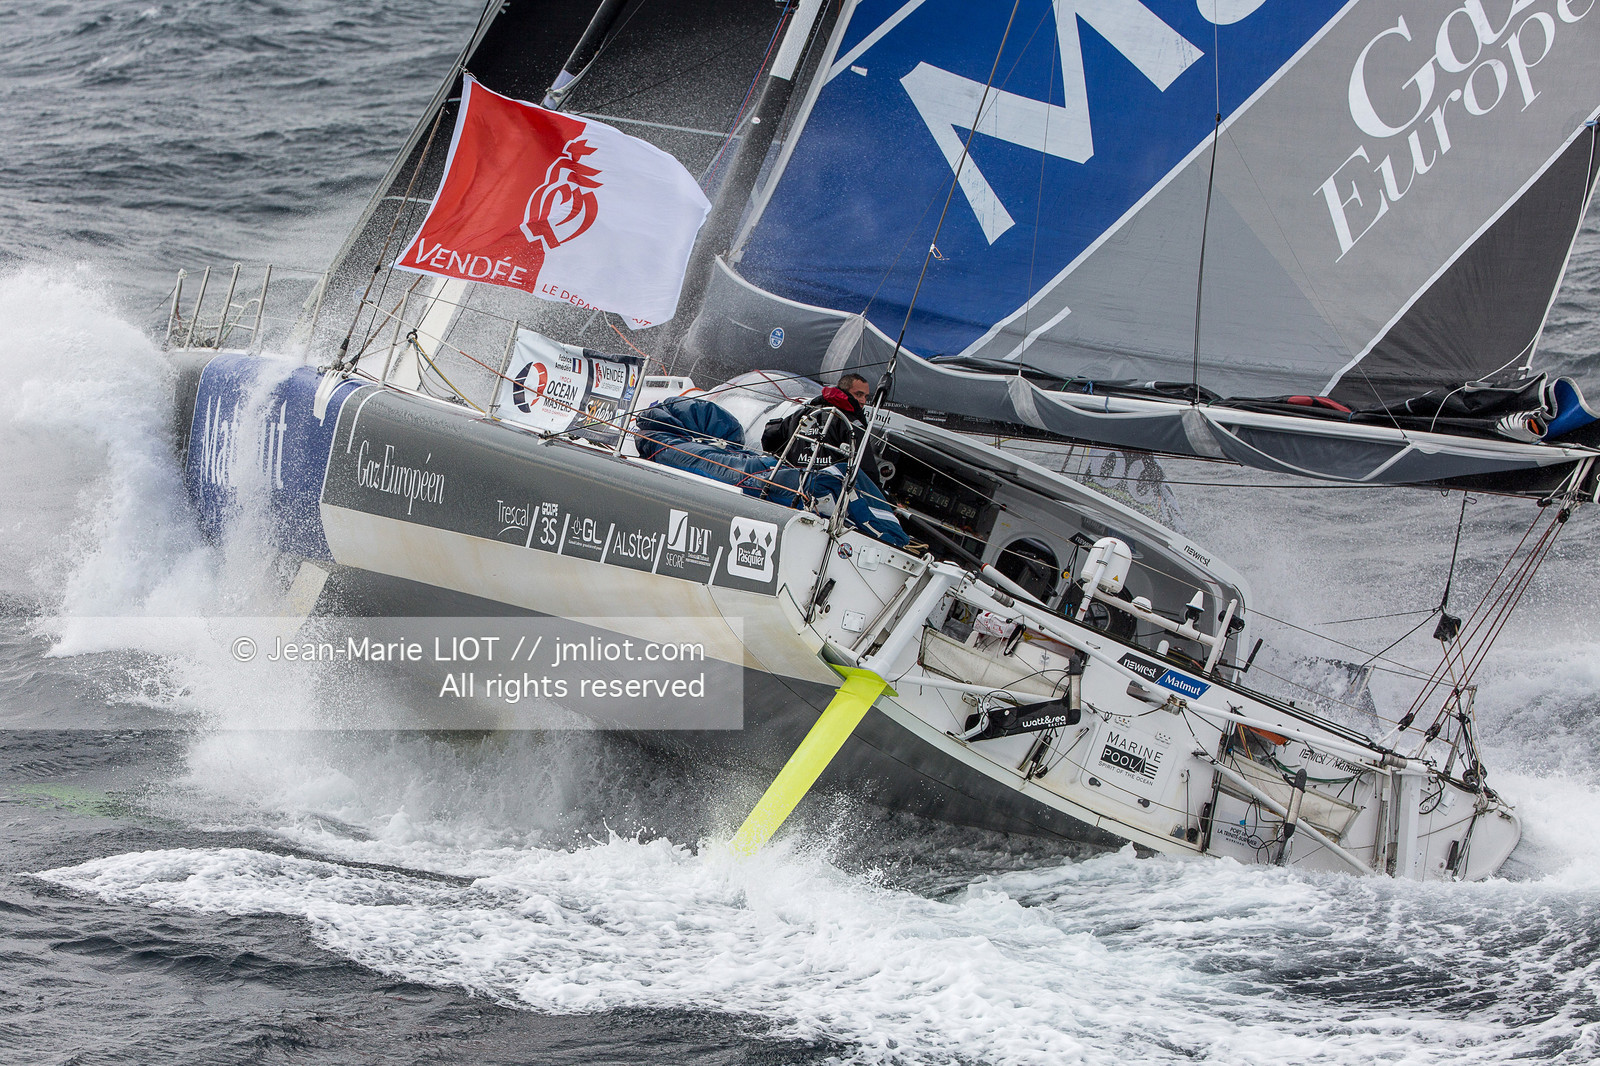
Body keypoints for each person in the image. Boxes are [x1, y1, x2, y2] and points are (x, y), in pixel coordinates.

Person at [762, 373, 875, 469]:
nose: (863, 401)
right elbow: (867, 467)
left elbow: (770, 438)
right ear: (844, 391)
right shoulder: (852, 424)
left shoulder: (804, 413)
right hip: (830, 490)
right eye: (858, 394)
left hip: (795, 484)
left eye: (866, 397)